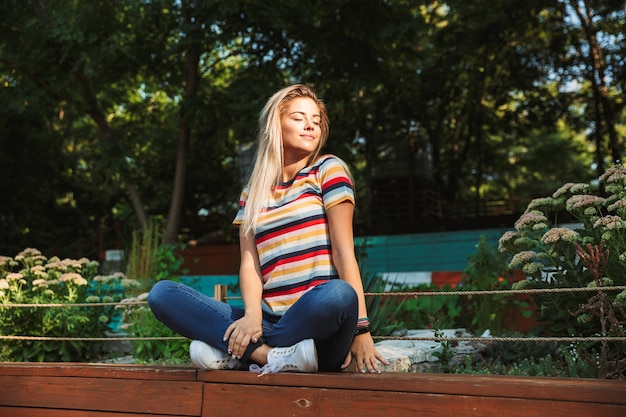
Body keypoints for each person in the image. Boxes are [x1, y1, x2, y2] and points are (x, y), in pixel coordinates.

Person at [148, 84, 388, 375]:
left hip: (317, 328)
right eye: (299, 117)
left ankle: (241, 353)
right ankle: (270, 356)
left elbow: (343, 252)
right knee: (163, 294)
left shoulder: (328, 170)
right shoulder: (253, 193)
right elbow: (250, 265)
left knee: (339, 294)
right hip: (267, 321)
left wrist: (361, 330)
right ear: (277, 124)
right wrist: (250, 317)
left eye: (316, 119)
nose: (310, 124)